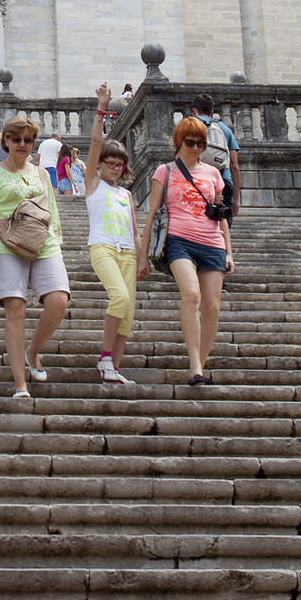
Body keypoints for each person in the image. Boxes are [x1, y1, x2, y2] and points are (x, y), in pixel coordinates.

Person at [0, 114, 69, 399]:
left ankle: (33, 351)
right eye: (16, 139)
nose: (22, 144)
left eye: (28, 140)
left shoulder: (40, 173)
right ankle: (20, 384)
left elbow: (52, 211)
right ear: (6, 142)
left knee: (59, 299)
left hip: (43, 243)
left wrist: (57, 244)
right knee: (16, 309)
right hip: (6, 243)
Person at [139, 116, 234, 386]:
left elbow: (220, 214)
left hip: (212, 242)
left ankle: (199, 366)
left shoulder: (213, 174)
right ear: (179, 143)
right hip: (179, 240)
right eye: (190, 143)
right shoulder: (165, 171)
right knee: (191, 294)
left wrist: (229, 251)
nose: (196, 148)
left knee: (213, 306)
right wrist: (143, 256)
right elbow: (151, 216)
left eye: (201, 144)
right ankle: (194, 365)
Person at [84, 85, 137, 384]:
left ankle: (113, 370)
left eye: (120, 165)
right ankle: (105, 357)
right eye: (110, 163)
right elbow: (94, 143)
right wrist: (101, 110)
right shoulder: (94, 184)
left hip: (128, 251)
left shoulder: (126, 195)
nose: (115, 168)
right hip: (103, 247)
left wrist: (141, 258)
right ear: (101, 165)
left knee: (127, 315)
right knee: (118, 296)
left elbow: (135, 231)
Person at [190, 95, 241, 215]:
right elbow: (234, 166)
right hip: (223, 182)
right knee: (222, 223)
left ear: (194, 110)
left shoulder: (188, 127)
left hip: (196, 182)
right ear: (212, 112)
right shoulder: (225, 129)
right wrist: (236, 198)